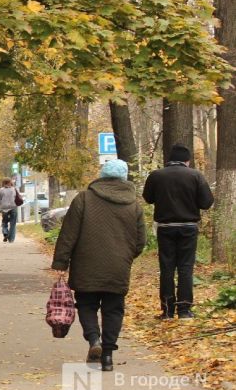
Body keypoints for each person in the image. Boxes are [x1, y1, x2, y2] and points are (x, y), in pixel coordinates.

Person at [51, 159, 146, 371]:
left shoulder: (84, 199)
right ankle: (108, 357)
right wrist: (126, 256)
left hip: (86, 263)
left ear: (101, 175)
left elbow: (69, 233)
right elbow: (141, 241)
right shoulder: (133, 205)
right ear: (124, 177)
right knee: (114, 309)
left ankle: (94, 340)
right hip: (118, 266)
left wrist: (61, 261)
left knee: (86, 304)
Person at [143, 143, 214, 320]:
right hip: (188, 228)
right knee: (185, 268)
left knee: (166, 268)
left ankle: (167, 310)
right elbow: (206, 203)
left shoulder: (156, 175)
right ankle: (184, 310)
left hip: (165, 228)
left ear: (169, 160)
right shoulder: (196, 176)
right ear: (187, 160)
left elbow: (148, 198)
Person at [0, 178, 19, 243]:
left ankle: (5, 232)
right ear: (10, 182)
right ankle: (11, 239)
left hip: (4, 208)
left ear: (3, 183)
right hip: (13, 207)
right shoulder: (14, 189)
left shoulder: (0, 190)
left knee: (4, 222)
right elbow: (18, 198)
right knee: (13, 224)